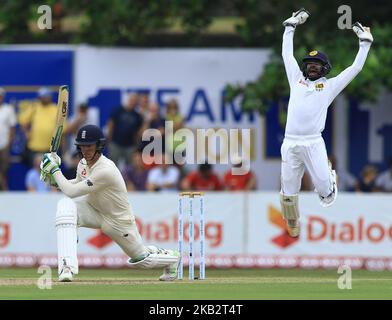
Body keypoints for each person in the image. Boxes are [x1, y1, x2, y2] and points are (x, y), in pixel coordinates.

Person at [39, 124, 179, 282]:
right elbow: (74, 185)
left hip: (117, 220)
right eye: (82, 146)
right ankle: (67, 267)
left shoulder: (106, 170)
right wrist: (53, 180)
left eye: (90, 146)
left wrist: (54, 171)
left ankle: (172, 258)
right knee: (65, 207)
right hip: (93, 210)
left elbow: (71, 191)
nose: (85, 150)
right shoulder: (83, 164)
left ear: (99, 145)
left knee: (141, 259)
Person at [280, 9, 373, 237]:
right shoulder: (296, 79)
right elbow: (286, 55)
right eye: (309, 63)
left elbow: (355, 69)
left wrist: (364, 44)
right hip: (290, 142)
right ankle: (292, 221)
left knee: (326, 196)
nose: (312, 66)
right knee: (288, 193)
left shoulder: (329, 86)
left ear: (324, 68)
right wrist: (289, 27)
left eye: (317, 64)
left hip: (313, 143)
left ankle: (329, 181)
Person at [0, 88, 16, 190]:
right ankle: (4, 189)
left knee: (4, 170)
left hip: (4, 144)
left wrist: (9, 143)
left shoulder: (8, 109)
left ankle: (3, 191)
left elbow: (12, 127)